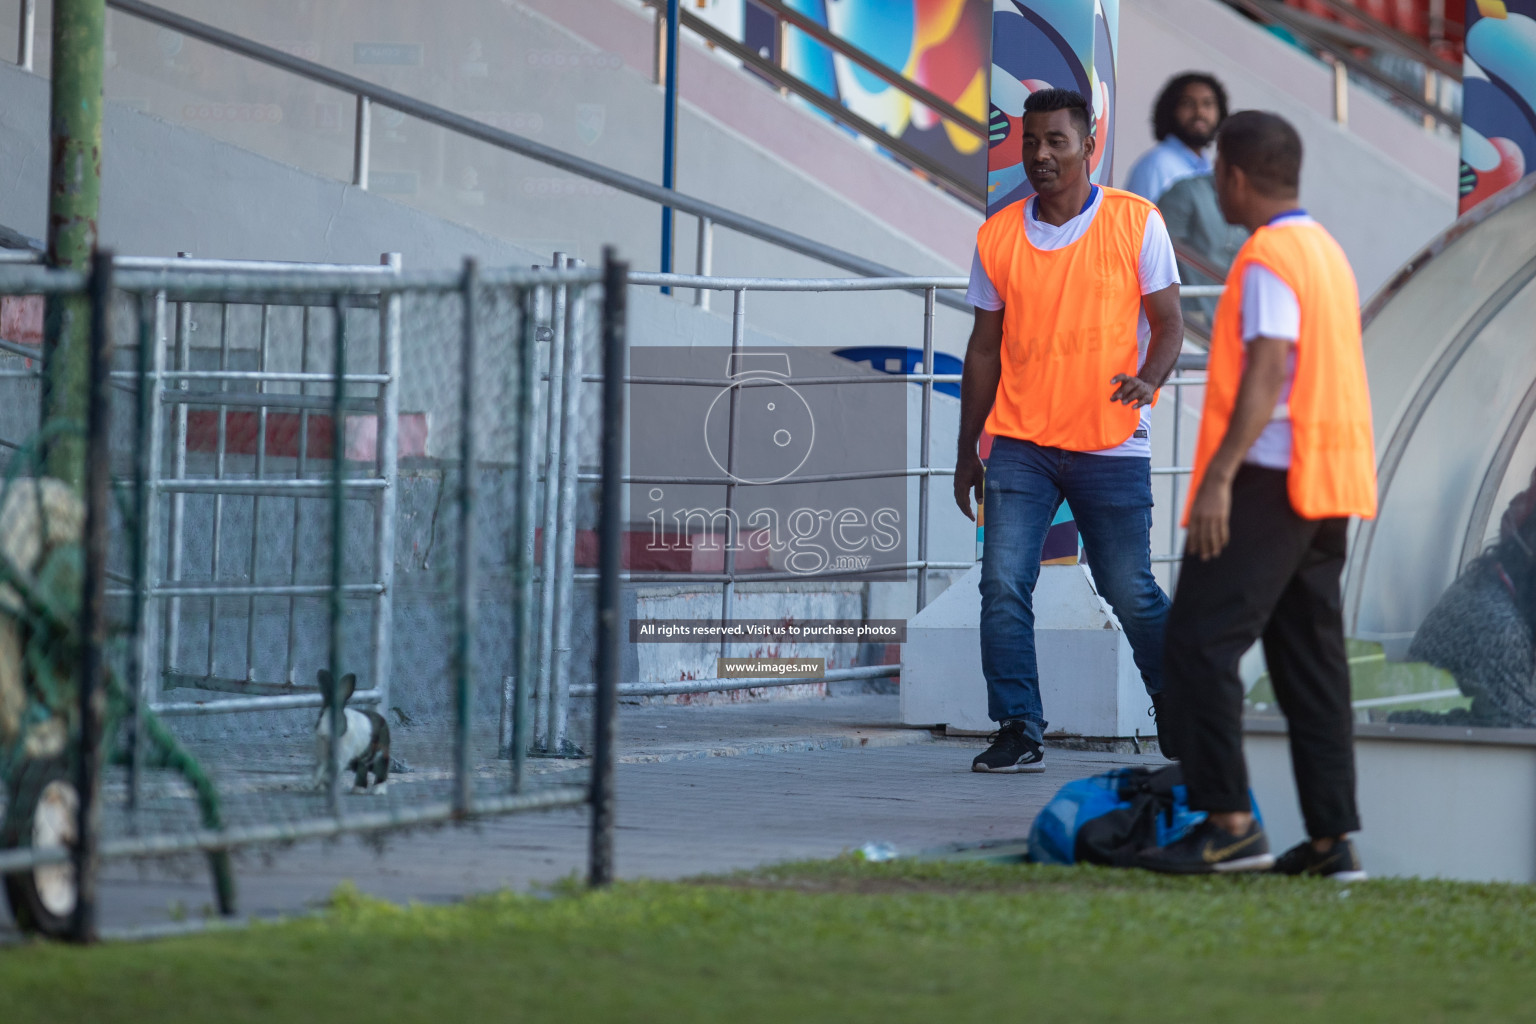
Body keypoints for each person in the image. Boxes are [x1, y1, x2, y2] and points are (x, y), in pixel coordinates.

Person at [1137, 111, 1377, 878]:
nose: (1214, 185)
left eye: (1217, 174)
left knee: (1199, 644)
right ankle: (1331, 839)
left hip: (1270, 478)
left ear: (1235, 178)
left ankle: (1230, 822)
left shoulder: (1268, 255)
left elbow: (1269, 373)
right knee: (1310, 660)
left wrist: (1216, 480)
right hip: (1326, 481)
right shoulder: (1325, 250)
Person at [955, 88, 1185, 773]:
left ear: (1089, 145)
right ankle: (1019, 726)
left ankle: (1184, 709)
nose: (1041, 155)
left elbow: (1170, 322)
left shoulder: (1136, 221)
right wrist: (968, 450)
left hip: (1110, 443)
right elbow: (983, 350)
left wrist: (1150, 378)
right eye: (1031, 142)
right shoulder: (997, 236)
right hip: (1021, 443)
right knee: (1001, 585)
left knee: (1129, 589)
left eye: (1057, 141)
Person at [1124, 73, 1228, 204]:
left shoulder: (1209, 166)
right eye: (1188, 103)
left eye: (1207, 104)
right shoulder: (1157, 165)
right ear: (1171, 109)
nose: (1199, 112)